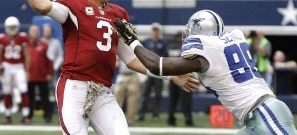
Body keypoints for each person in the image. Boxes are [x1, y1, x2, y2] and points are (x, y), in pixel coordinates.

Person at [5, 0, 198, 135]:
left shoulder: (117, 14)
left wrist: (170, 74)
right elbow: (42, 6)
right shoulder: (74, 5)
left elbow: (132, 59)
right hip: (74, 86)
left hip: (102, 90)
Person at [113, 10, 297, 134]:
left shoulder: (206, 52)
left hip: (264, 113)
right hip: (259, 113)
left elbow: (157, 65)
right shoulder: (228, 41)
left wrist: (133, 41)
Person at [0, 16, 30, 124]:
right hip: (6, 66)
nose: (12, 29)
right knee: (6, 91)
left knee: (23, 89)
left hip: (19, 66)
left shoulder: (23, 37)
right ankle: (7, 115)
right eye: (10, 27)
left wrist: (27, 70)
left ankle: (26, 115)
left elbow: (27, 55)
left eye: (14, 27)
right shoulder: (1, 38)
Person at [137, 22, 167, 121]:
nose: (155, 32)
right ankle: (141, 114)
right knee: (145, 94)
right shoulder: (146, 42)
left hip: (159, 73)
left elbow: (166, 58)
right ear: (151, 31)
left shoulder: (163, 43)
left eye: (156, 30)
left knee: (158, 94)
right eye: (154, 30)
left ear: (159, 32)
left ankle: (156, 115)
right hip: (148, 72)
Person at [27, 24, 53, 123]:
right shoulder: (26, 45)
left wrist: (49, 73)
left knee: (45, 97)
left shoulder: (45, 45)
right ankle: (28, 116)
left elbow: (50, 60)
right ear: (29, 33)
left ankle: (47, 116)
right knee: (29, 97)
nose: (35, 33)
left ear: (39, 32)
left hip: (42, 76)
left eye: (37, 31)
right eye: (33, 31)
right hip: (29, 76)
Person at [166, 32, 193, 127]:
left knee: (172, 100)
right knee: (186, 100)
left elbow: (165, 61)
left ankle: (170, 119)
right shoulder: (188, 47)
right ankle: (188, 119)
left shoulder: (169, 46)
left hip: (173, 77)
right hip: (185, 76)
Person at [114, 58, 140, 125]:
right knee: (117, 98)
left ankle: (130, 119)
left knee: (132, 100)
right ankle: (116, 117)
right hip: (122, 75)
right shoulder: (118, 49)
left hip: (132, 75)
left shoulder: (133, 49)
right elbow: (115, 63)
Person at [41, 23, 64, 96]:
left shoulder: (56, 42)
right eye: (46, 31)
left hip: (53, 69)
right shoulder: (39, 42)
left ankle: (55, 102)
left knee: (54, 85)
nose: (47, 32)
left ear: (51, 32)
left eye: (49, 31)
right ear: (43, 32)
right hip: (41, 69)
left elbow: (60, 56)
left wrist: (55, 67)